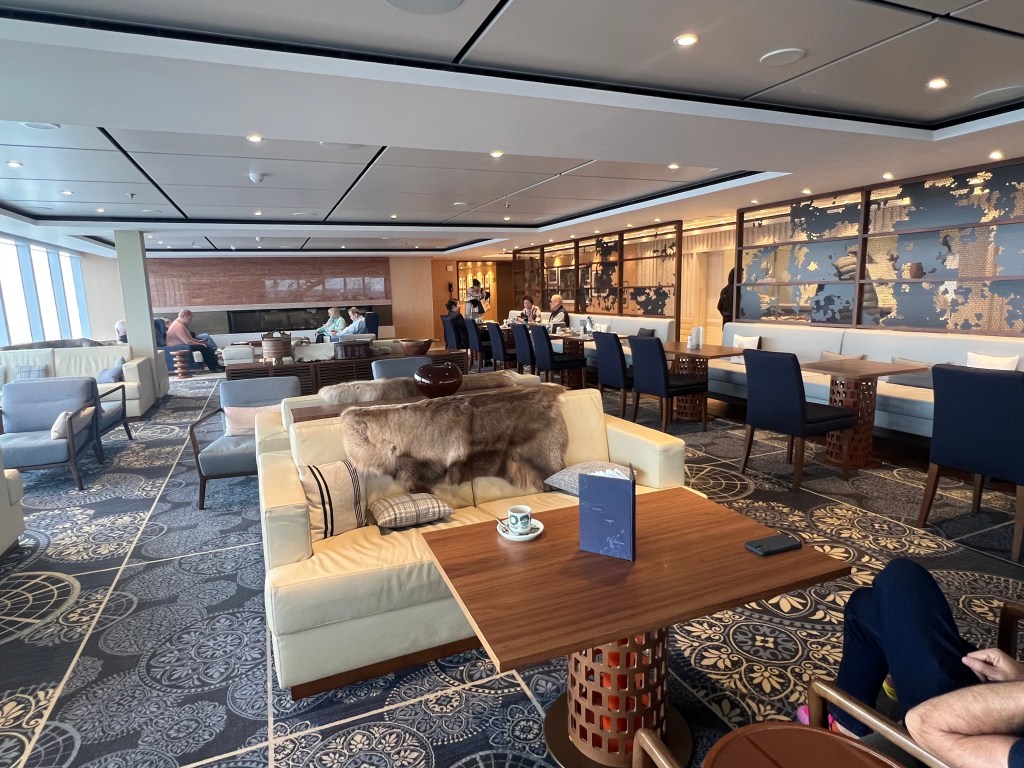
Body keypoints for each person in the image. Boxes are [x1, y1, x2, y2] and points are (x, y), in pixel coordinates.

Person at [797, 558, 1024, 767]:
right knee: (866, 604)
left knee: (900, 577)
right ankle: (847, 724)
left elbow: (925, 724)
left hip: (954, 734)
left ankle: (847, 724)